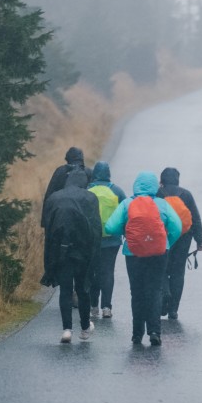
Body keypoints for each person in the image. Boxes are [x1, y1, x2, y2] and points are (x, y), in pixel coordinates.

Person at [105, 171, 181, 346]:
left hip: (133, 253)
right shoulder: (162, 204)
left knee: (137, 293)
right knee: (155, 291)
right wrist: (167, 242)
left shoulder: (127, 204)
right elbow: (177, 226)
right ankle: (154, 331)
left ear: (136, 186)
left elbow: (110, 227)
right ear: (155, 186)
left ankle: (137, 334)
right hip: (159, 253)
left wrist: (127, 234)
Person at [41, 170, 102, 343]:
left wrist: (50, 257)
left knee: (65, 291)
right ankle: (84, 328)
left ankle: (67, 329)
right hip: (83, 252)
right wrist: (95, 256)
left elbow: (48, 229)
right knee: (83, 290)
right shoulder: (90, 198)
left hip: (61, 251)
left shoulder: (54, 198)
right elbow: (96, 229)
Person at [158, 167, 202, 320]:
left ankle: (164, 293)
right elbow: (196, 219)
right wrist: (199, 241)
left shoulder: (158, 194)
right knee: (178, 272)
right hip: (184, 238)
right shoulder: (186, 194)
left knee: (162, 269)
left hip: (163, 237)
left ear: (162, 180)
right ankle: (173, 310)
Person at [87, 161, 127, 319]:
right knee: (108, 272)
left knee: (92, 271)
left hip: (91, 239)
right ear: (108, 174)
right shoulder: (117, 191)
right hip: (112, 240)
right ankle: (106, 307)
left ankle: (93, 305)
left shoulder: (87, 190)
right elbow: (126, 213)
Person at [41, 146, 92, 228]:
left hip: (61, 216)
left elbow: (49, 195)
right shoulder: (88, 172)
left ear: (67, 159)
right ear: (81, 158)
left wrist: (45, 222)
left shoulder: (60, 171)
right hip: (83, 217)